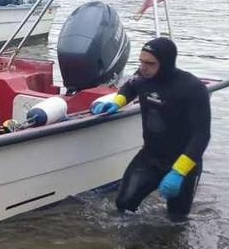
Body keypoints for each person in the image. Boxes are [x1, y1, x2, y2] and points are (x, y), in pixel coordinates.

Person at [90, 37, 211, 219]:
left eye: (150, 63)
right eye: (141, 61)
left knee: (177, 219)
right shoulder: (143, 76)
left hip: (183, 163)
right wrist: (117, 102)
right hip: (149, 157)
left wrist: (179, 171)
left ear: (166, 63)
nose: (143, 67)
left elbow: (202, 135)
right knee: (123, 205)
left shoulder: (192, 88)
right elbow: (129, 88)